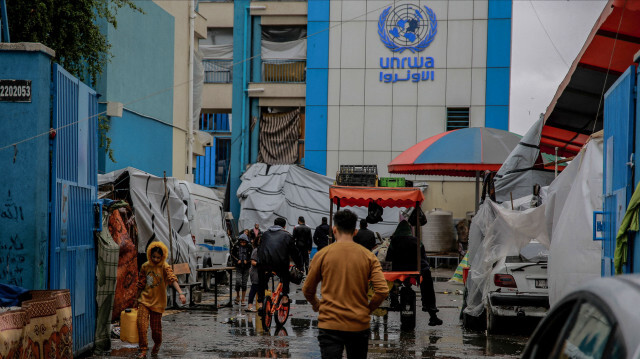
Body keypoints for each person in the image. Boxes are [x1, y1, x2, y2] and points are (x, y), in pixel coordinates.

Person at [303, 209, 389, 359]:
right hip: (358, 324)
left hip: (329, 324)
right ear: (355, 232)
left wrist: (318, 305)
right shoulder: (368, 256)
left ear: (334, 229)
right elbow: (382, 291)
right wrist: (367, 310)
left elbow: (308, 290)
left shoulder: (322, 255)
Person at [385, 220, 442, 326]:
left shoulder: (394, 241)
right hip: (415, 270)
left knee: (389, 280)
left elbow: (388, 259)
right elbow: (424, 260)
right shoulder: (417, 241)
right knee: (427, 284)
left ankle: (394, 300)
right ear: (409, 230)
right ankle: (432, 314)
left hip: (398, 271)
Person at [136, 241, 186, 358]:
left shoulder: (165, 266)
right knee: (141, 325)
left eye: (158, 257)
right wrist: (136, 299)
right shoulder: (145, 266)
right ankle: (143, 349)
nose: (156, 259)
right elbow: (141, 284)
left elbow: (172, 278)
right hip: (144, 300)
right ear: (150, 255)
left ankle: (157, 344)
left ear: (162, 256)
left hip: (158, 303)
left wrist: (181, 293)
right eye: (153, 256)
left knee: (156, 330)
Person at [257, 217, 303, 311]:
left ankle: (261, 302)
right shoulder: (287, 235)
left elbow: (259, 249)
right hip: (279, 264)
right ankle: (285, 297)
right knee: (285, 275)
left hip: (263, 263)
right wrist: (300, 266)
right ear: (284, 226)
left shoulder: (265, 234)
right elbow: (295, 253)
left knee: (261, 280)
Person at [232, 233, 252, 305]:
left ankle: (243, 299)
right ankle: (237, 296)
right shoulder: (236, 246)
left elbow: (252, 256)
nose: (242, 243)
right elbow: (233, 255)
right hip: (239, 267)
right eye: (241, 242)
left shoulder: (249, 247)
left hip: (246, 267)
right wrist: (237, 261)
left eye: (244, 242)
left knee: (244, 283)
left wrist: (248, 260)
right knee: (238, 282)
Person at [246, 235, 261, 312]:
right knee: (255, 288)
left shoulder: (263, 250)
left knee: (259, 288)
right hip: (255, 272)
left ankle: (259, 306)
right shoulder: (256, 250)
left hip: (260, 271)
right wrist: (261, 265)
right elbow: (253, 262)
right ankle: (250, 306)